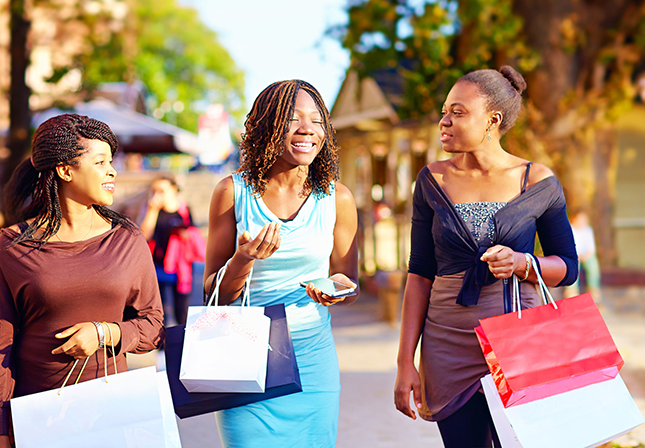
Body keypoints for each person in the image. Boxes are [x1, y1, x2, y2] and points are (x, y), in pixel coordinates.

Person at [394, 66, 579, 448]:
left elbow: (568, 267)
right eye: (445, 111)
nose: (444, 121)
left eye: (458, 112)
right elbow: (420, 274)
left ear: (492, 120)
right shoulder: (431, 181)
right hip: (447, 342)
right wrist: (404, 363)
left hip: (520, 336)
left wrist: (524, 263)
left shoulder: (538, 180)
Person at [0, 114, 164, 447]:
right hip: (37, 414)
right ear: (65, 170)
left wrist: (104, 332)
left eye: (112, 161)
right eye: (100, 162)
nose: (112, 171)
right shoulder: (15, 244)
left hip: (112, 414)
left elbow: (153, 325)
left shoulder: (126, 239)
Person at [203, 79, 359, 448]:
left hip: (313, 362)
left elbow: (350, 283)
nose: (307, 129)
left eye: (317, 121)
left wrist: (336, 291)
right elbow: (212, 292)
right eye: (293, 119)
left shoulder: (338, 198)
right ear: (266, 127)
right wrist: (243, 259)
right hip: (245, 358)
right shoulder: (231, 192)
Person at [140, 175, 203, 326]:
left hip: (180, 267)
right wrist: (152, 210)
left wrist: (185, 234)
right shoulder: (152, 210)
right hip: (157, 265)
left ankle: (180, 341)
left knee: (181, 308)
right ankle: (161, 344)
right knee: (158, 309)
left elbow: (193, 231)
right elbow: (144, 235)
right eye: (155, 191)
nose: (158, 195)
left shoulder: (184, 209)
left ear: (173, 190)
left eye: (162, 190)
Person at [570, 210, 602, 302]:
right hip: (575, 255)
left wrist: (585, 256)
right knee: (573, 266)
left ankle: (595, 294)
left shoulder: (588, 230)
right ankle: (571, 293)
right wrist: (578, 256)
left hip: (586, 256)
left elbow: (591, 249)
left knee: (593, 265)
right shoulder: (571, 229)